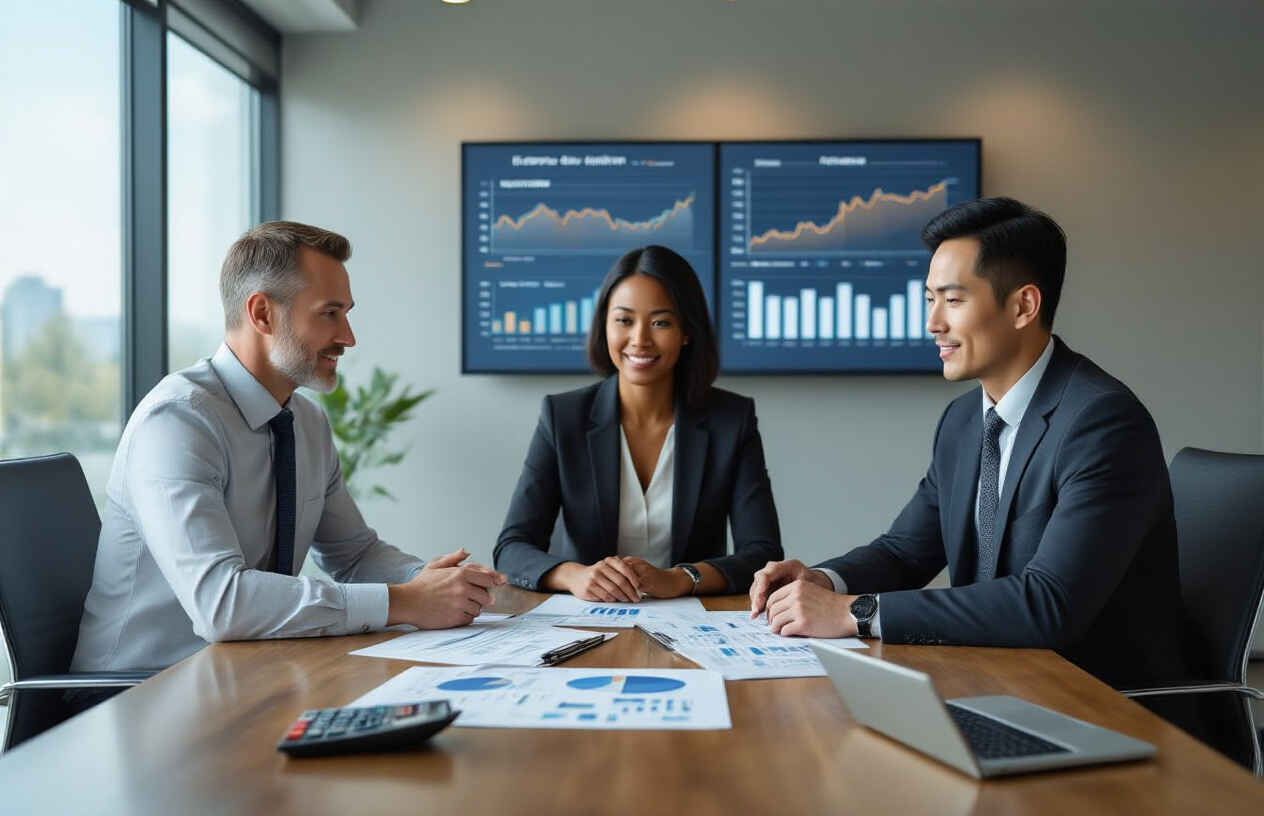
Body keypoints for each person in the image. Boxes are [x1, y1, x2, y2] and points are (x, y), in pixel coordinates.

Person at [749, 197, 1190, 689]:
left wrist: (854, 611)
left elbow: (1049, 604)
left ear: (1023, 305)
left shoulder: (1103, 423)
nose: (932, 324)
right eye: (929, 300)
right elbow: (904, 552)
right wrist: (823, 582)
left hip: (1100, 701)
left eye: (953, 301)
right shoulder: (963, 421)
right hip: (996, 680)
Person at [72, 221, 504, 676]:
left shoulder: (307, 422)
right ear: (262, 314)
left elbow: (354, 555)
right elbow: (222, 603)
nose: (349, 337)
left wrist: (429, 582)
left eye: (347, 313)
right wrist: (406, 601)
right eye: (329, 313)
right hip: (136, 695)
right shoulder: (178, 422)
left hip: (243, 676)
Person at [494, 245, 782, 602]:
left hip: (692, 623)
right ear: (605, 325)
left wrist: (681, 578)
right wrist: (575, 576)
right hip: (584, 620)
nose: (640, 339)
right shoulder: (562, 416)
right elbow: (511, 547)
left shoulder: (731, 420)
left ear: (686, 331)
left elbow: (763, 554)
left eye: (660, 322)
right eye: (624, 320)